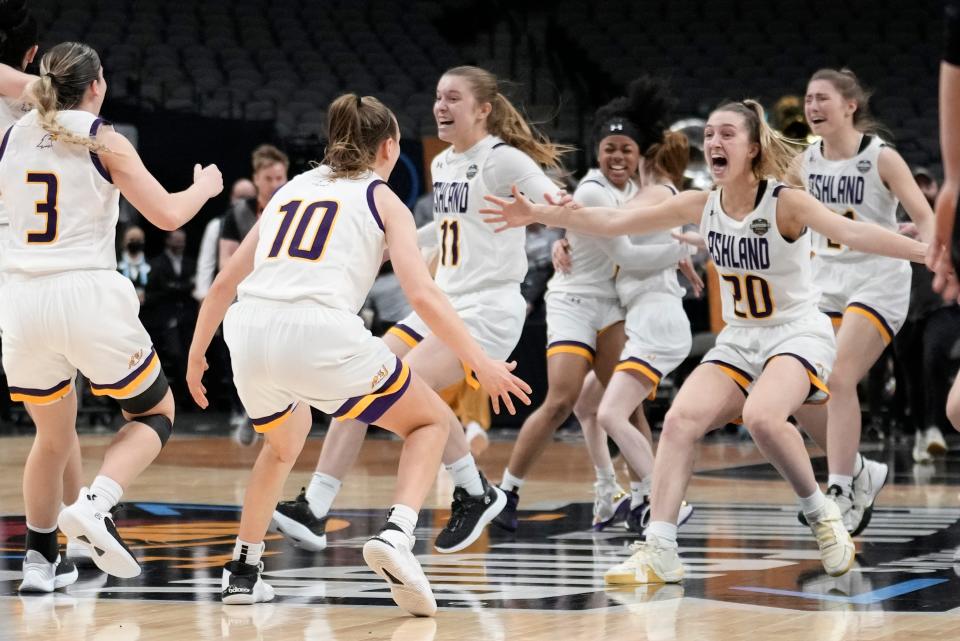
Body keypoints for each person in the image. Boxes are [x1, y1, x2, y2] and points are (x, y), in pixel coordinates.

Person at [482, 99, 927, 583]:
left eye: (728, 134)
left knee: (761, 416)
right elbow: (612, 224)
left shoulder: (785, 201)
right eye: (710, 133)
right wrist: (540, 214)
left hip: (796, 331)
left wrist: (927, 252)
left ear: (754, 149)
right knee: (678, 423)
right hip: (739, 339)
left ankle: (823, 517)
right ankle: (661, 548)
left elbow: (854, 232)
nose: (714, 141)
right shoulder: (700, 203)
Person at [185, 93, 530, 613]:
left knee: (282, 445)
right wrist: (480, 362)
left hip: (249, 332)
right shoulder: (383, 199)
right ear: (389, 147)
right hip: (320, 332)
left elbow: (222, 284)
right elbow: (424, 296)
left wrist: (194, 357)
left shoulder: (291, 189)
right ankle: (396, 534)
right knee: (430, 422)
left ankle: (242, 571)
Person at [271, 65, 569, 555]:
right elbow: (449, 227)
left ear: (483, 109)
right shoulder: (444, 163)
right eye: (437, 97)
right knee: (359, 378)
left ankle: (473, 490)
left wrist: (560, 235)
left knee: (398, 387)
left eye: (453, 98)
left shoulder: (505, 161)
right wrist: (394, 241)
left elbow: (563, 207)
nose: (440, 107)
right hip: (442, 302)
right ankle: (316, 506)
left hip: (486, 308)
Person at [0, 42, 221, 591]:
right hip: (85, 293)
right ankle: (96, 504)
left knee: (52, 437)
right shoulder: (102, 136)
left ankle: (38, 559)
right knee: (155, 411)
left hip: (21, 299)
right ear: (97, 85)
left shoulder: (11, 137)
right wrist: (205, 187)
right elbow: (167, 213)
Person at [494, 77, 698, 534]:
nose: (618, 156)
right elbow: (624, 250)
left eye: (627, 149)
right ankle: (508, 488)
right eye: (610, 149)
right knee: (562, 399)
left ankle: (635, 495)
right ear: (597, 152)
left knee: (626, 406)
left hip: (615, 304)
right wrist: (681, 252)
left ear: (640, 154)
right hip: (574, 301)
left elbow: (644, 240)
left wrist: (672, 258)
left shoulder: (635, 193)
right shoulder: (590, 191)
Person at [791, 68, 934, 535]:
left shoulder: (881, 158)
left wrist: (933, 254)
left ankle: (839, 489)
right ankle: (858, 471)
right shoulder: (804, 161)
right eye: (809, 99)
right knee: (802, 389)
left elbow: (924, 217)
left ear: (851, 105)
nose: (813, 107)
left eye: (822, 98)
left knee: (840, 376)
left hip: (877, 278)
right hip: (823, 279)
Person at [0, 3, 89, 575]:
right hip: (34, 278)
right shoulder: (56, 118)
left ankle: (73, 533)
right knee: (57, 416)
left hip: (21, 277)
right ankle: (75, 533)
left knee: (56, 418)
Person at [143, 230, 197, 406]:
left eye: (183, 241)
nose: (180, 245)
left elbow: (194, 287)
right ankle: (178, 398)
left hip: (188, 317)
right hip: (164, 317)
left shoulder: (191, 263)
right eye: (177, 241)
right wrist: (180, 288)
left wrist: (174, 287)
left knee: (191, 355)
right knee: (175, 354)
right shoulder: (156, 264)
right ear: (167, 241)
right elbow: (155, 291)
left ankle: (191, 399)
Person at [116, 225, 149, 304]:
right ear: (124, 241)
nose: (135, 243)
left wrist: (146, 297)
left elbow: (158, 290)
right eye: (131, 239)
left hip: (147, 311)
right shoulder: (115, 264)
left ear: (143, 241)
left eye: (138, 240)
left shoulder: (153, 264)